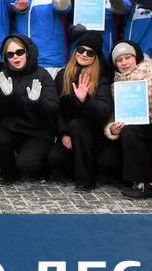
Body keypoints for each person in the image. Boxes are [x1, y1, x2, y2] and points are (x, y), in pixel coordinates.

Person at [104, 40, 152, 199]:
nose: (124, 62)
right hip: (135, 136)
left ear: (136, 57)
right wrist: (112, 128)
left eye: (128, 57)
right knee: (106, 161)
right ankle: (137, 177)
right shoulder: (116, 84)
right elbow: (115, 114)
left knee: (131, 130)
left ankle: (146, 183)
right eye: (119, 60)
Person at [0, 35, 59, 184]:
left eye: (19, 52)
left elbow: (54, 108)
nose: (15, 57)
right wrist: (5, 96)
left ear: (27, 52)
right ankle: (8, 173)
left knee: (27, 165)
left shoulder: (42, 74)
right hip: (13, 128)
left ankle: (43, 166)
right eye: (10, 54)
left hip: (38, 131)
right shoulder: (3, 75)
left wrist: (38, 101)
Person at [48, 32, 113, 192]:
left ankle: (85, 181)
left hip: (93, 134)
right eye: (81, 50)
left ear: (96, 57)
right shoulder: (62, 75)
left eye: (90, 52)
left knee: (78, 125)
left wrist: (86, 100)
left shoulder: (101, 78)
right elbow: (56, 110)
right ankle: (80, 166)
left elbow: (103, 113)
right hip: (69, 133)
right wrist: (63, 134)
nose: (84, 54)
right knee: (55, 160)